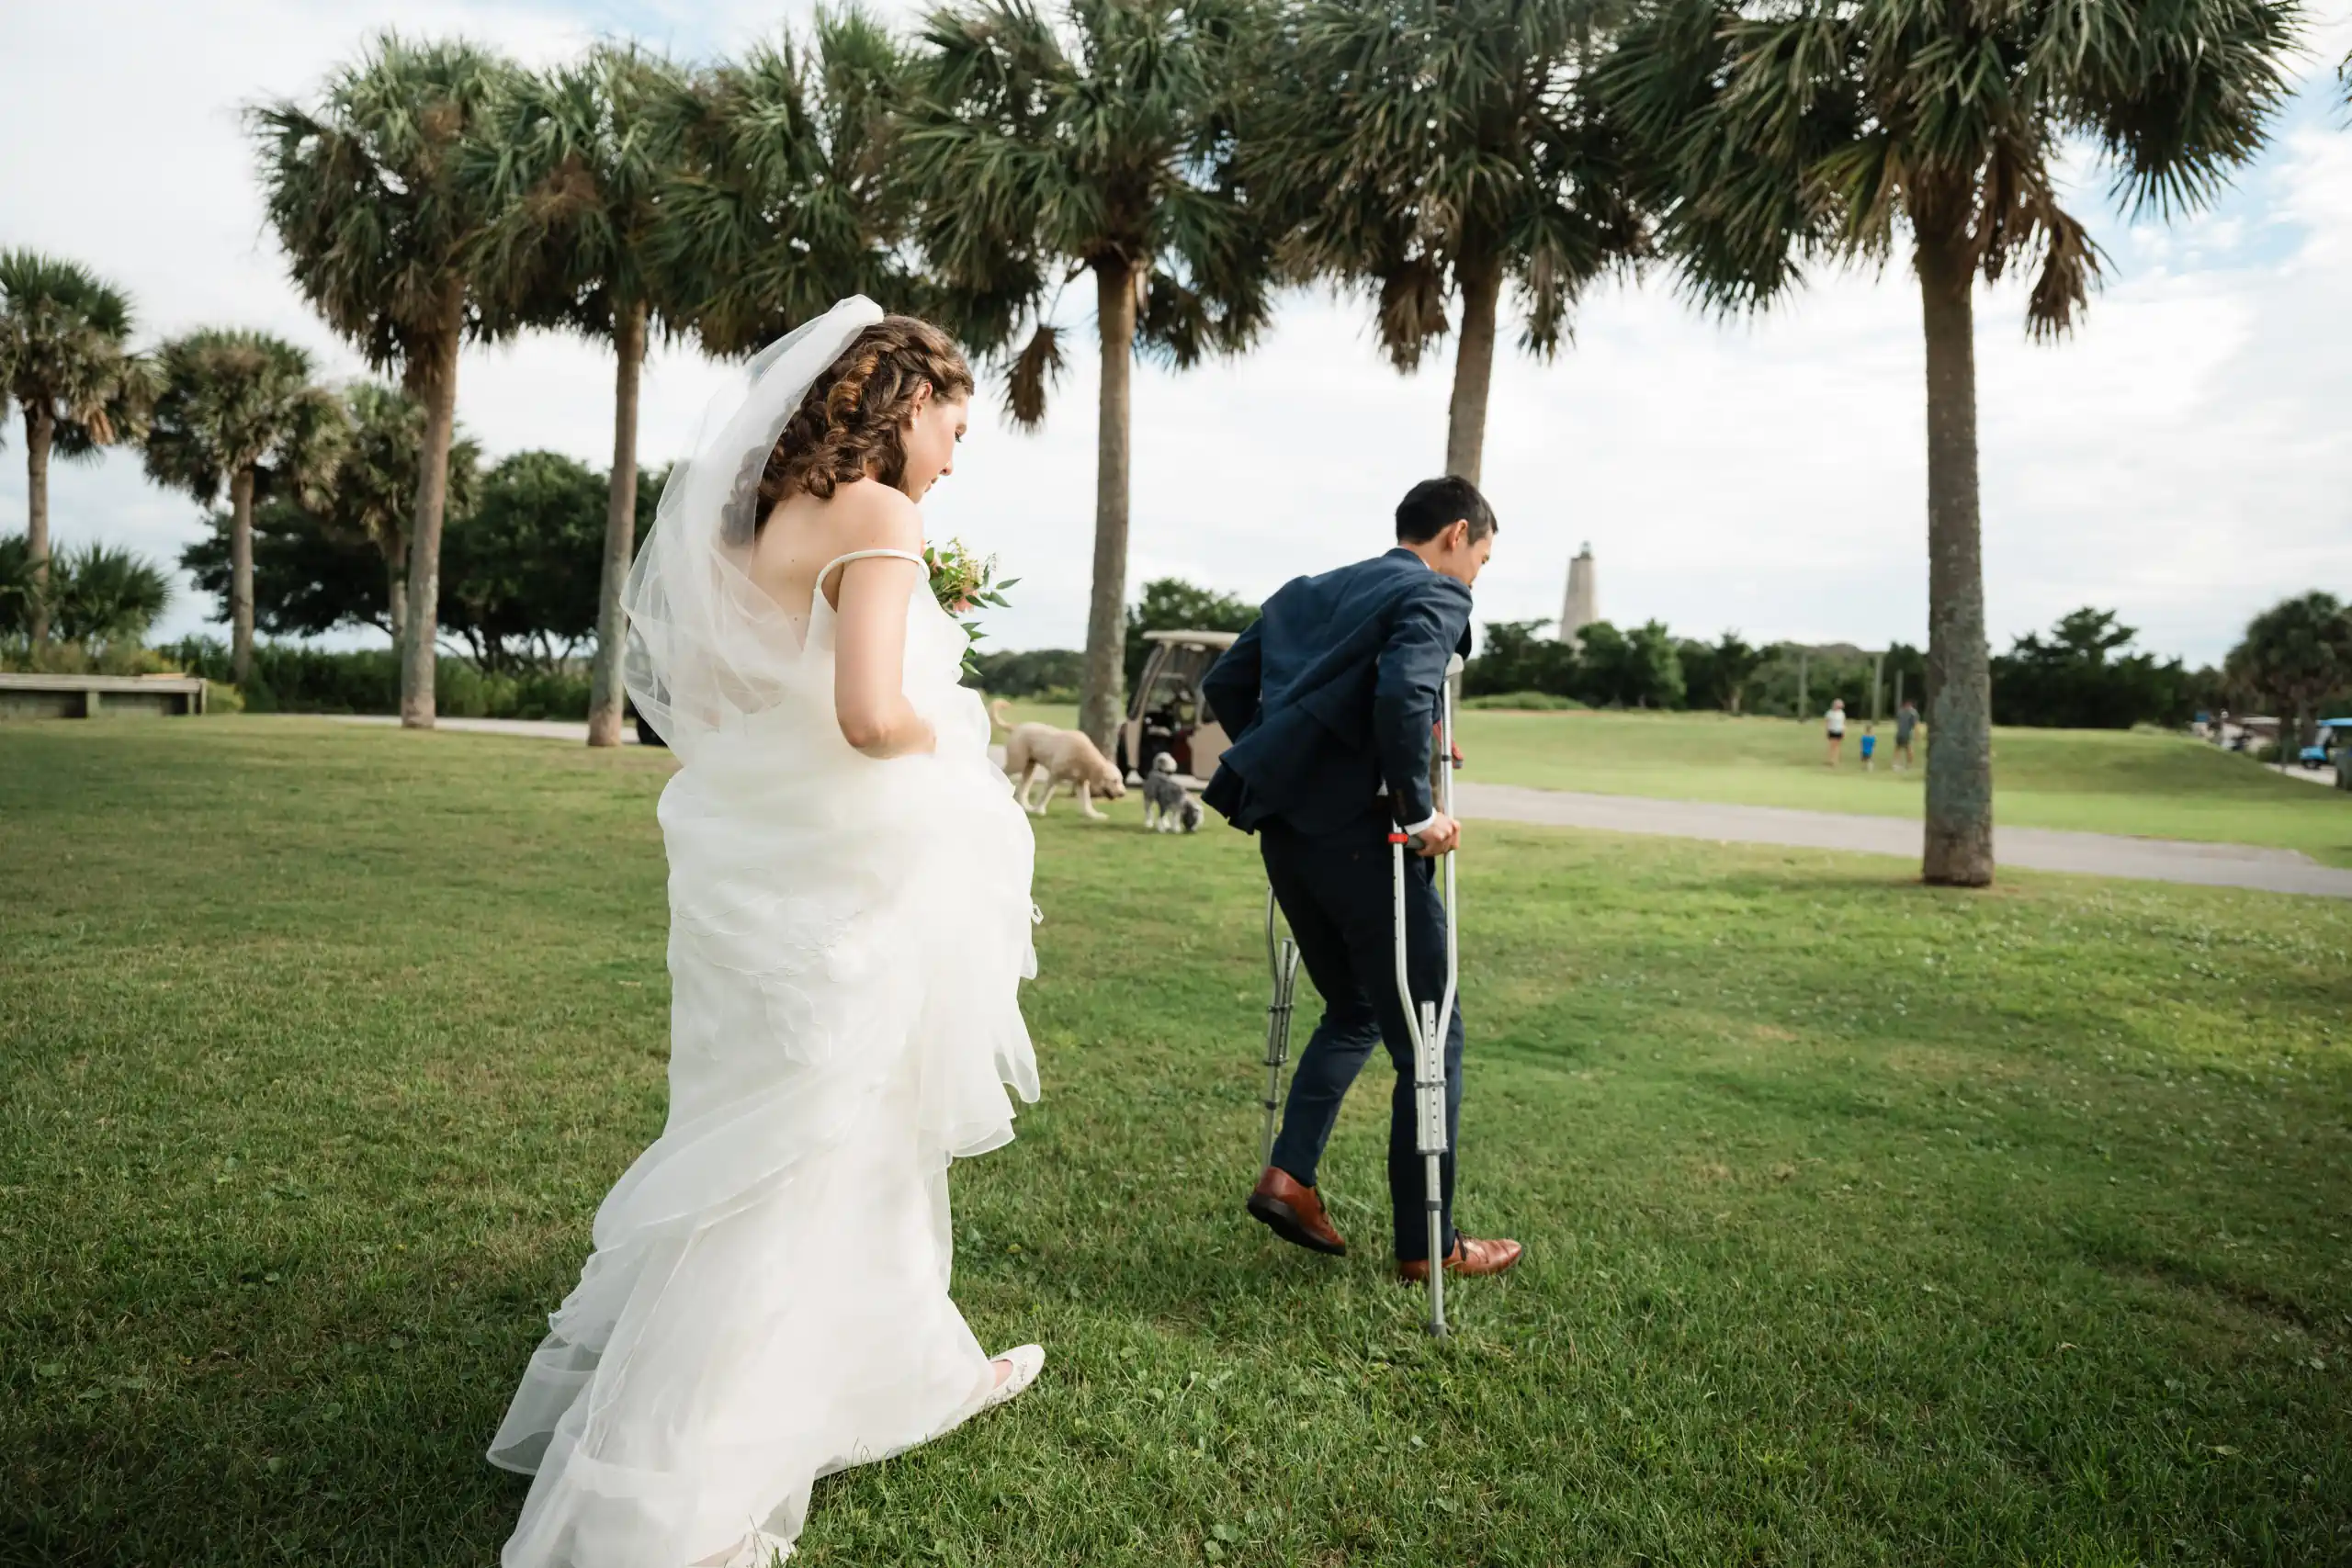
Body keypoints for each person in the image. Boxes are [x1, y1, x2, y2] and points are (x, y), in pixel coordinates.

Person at [488, 301, 1045, 1568]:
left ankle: (898, 1369)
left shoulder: (752, 524)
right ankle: (660, 1503)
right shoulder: (882, 515)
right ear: (906, 406)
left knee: (791, 1139)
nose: (955, 458)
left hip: (750, 872)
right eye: (955, 429)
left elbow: (742, 705)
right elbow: (863, 713)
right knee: (800, 1159)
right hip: (840, 886)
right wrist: (953, 728)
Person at [1202, 477, 1521, 1285]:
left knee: (1353, 1008)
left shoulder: (1306, 591)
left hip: (1289, 839)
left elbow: (1227, 688)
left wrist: (1308, 770)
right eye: (1482, 558)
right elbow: (1407, 688)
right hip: (1371, 842)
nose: (1476, 574)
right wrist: (1417, 810)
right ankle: (1430, 1245)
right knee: (1431, 1030)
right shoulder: (1435, 593)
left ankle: (1290, 1176)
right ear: (1457, 534)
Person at [1894, 698, 1918, 771]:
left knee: (1897, 748)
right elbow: (1916, 725)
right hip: (1906, 733)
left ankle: (1896, 764)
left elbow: (1898, 722)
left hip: (1899, 732)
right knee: (1909, 749)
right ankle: (1909, 765)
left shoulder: (1900, 711)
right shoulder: (1913, 713)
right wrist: (1917, 735)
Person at [1825, 697, 1847, 766]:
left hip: (1839, 730)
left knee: (1837, 746)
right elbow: (1827, 722)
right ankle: (1831, 759)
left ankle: (1836, 760)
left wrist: (1843, 732)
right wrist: (1827, 730)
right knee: (1832, 745)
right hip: (1832, 730)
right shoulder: (1829, 713)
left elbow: (1843, 723)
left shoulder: (1841, 713)